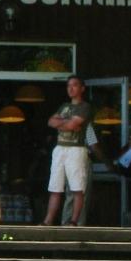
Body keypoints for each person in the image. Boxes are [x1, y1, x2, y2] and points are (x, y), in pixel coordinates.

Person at [42, 75, 92, 226]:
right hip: (60, 148)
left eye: (74, 85)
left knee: (77, 187)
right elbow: (50, 122)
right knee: (55, 187)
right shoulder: (64, 106)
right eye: (68, 85)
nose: (70, 88)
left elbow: (71, 125)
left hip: (76, 149)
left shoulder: (84, 107)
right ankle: (48, 221)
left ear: (82, 88)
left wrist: (63, 123)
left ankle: (73, 221)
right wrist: (67, 122)